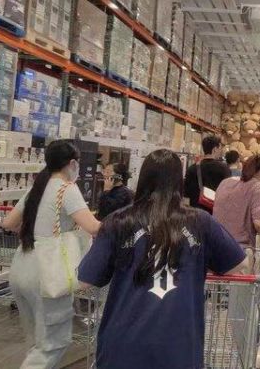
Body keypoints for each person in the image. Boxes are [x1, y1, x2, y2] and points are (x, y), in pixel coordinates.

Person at [78, 149, 247, 369]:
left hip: (122, 345)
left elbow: (86, 279)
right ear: (179, 181)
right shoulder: (200, 222)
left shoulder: (119, 221)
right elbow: (238, 264)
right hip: (179, 346)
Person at [3, 140, 101, 369]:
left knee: (36, 342)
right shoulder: (67, 189)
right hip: (48, 273)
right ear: (72, 163)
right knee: (52, 345)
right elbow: (93, 227)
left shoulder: (36, 188)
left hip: (21, 267)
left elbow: (8, 223)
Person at [213, 154, 260, 259]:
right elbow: (259, 223)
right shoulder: (258, 187)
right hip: (239, 251)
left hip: (215, 245)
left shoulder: (225, 182)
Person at [184, 135, 231, 213]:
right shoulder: (224, 169)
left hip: (195, 212)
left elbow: (186, 194)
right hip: (215, 212)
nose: (220, 151)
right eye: (219, 148)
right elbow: (228, 194)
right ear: (215, 149)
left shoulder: (192, 168)